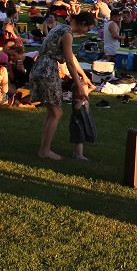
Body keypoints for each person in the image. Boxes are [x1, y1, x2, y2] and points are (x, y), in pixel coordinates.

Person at [32, 11, 96, 160]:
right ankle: (45, 151)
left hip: (39, 68)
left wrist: (84, 77)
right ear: (83, 24)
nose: (88, 31)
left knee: (52, 112)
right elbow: (69, 64)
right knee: (57, 113)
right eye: (88, 28)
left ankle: (44, 148)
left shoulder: (60, 28)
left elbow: (72, 57)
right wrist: (80, 86)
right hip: (47, 71)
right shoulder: (67, 34)